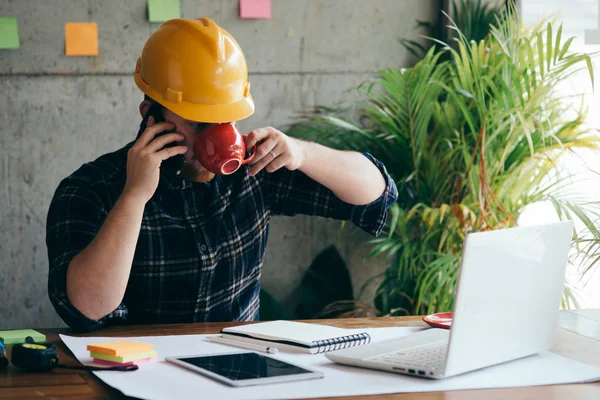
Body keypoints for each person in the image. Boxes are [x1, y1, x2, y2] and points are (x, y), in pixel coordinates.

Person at [46, 18, 398, 332]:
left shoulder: (254, 168)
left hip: (238, 371)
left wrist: (303, 153)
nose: (216, 135)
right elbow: (86, 309)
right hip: (135, 374)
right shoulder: (90, 189)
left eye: (226, 119)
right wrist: (135, 197)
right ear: (149, 113)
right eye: (200, 122)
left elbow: (377, 194)